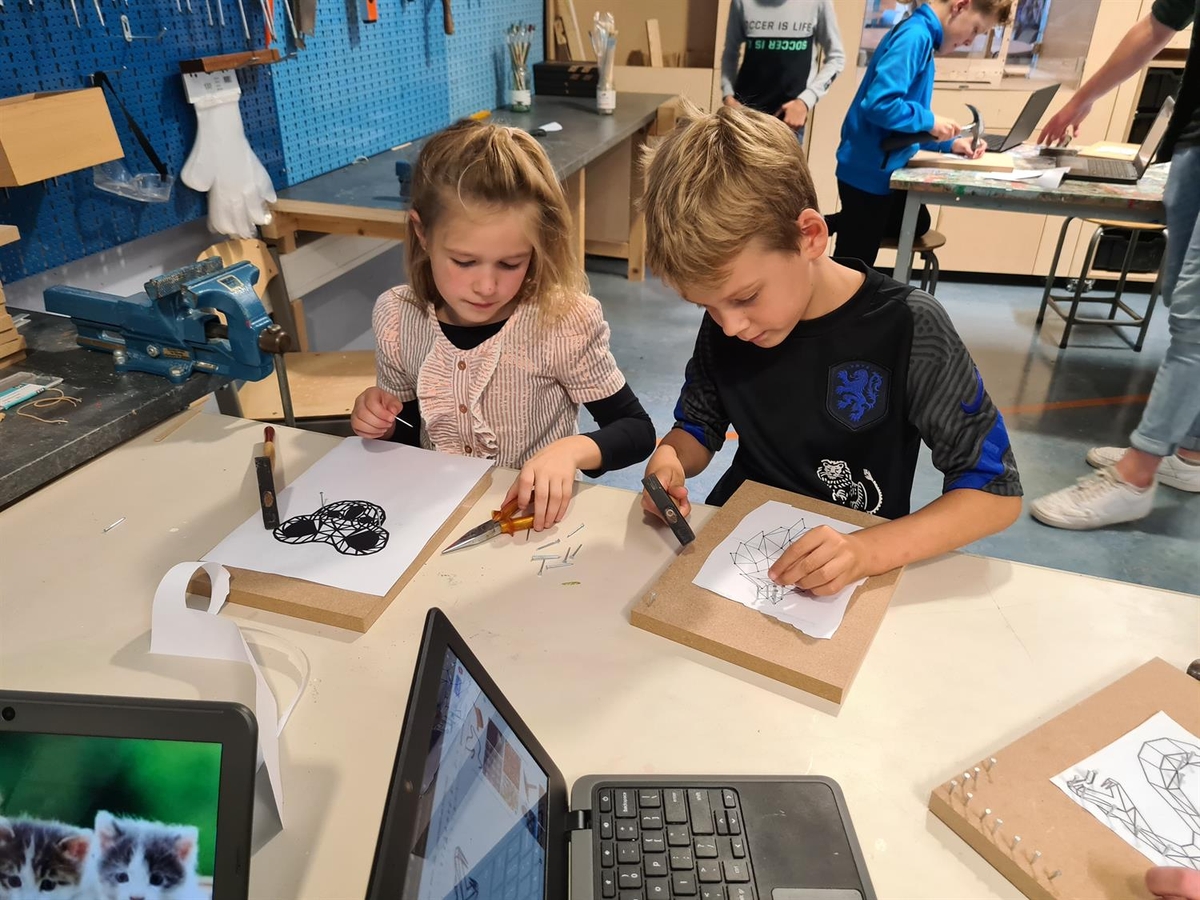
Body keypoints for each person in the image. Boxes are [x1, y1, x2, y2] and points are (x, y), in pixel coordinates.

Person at [637, 104, 1022, 596]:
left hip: (855, 561)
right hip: (741, 551)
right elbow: (698, 426)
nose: (729, 325)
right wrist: (670, 459)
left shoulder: (909, 326)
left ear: (810, 236)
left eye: (746, 297)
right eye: (706, 306)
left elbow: (994, 492)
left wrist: (868, 551)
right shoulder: (730, 321)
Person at [350, 120, 656, 531]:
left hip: (535, 520)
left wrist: (572, 451)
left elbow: (636, 430)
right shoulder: (398, 316)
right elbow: (408, 433)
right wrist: (380, 424)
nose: (486, 286)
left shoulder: (561, 322)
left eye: (511, 263)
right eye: (464, 262)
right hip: (433, 513)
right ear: (422, 232)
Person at [1029, 0, 1200, 529]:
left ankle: (1135, 476)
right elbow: (1158, 25)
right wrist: (1081, 100)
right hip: (1194, 140)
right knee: (1180, 303)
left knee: (1196, 320)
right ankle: (1189, 452)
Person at [828, 0, 1012, 267]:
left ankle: (842, 222)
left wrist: (949, 144)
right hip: (868, 170)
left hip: (882, 166)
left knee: (917, 221)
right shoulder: (916, 37)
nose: (969, 41)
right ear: (960, 6)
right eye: (975, 30)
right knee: (851, 270)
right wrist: (929, 121)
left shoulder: (922, 37)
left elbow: (902, 124)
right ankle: (845, 228)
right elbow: (879, 104)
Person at [720, 0, 846, 143]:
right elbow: (730, 53)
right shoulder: (741, 2)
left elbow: (837, 59)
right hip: (745, 117)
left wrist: (804, 102)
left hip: (787, 122)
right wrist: (728, 96)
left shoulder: (818, 2)